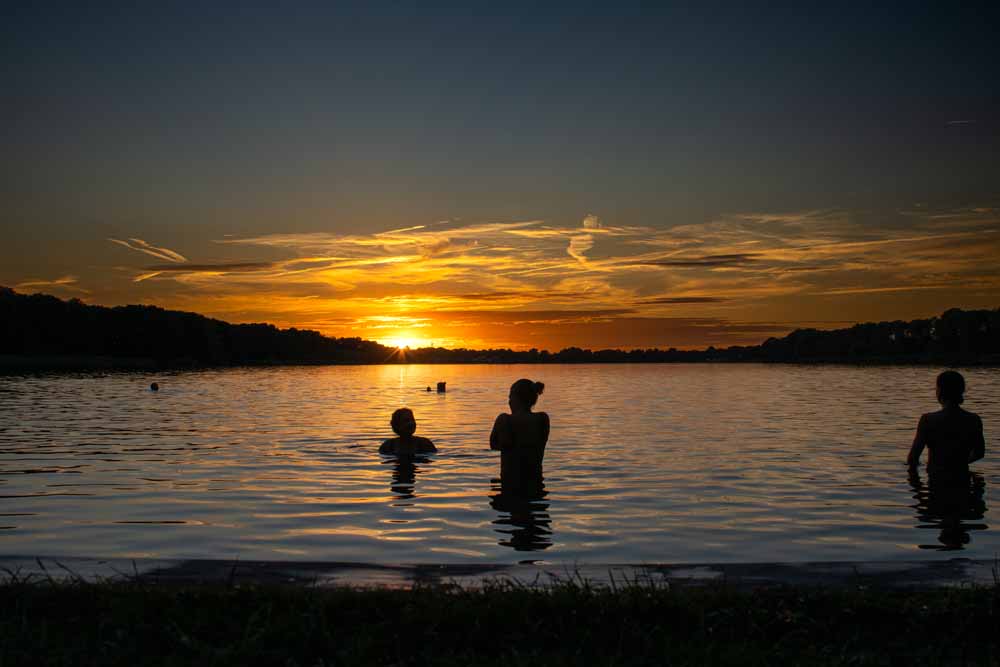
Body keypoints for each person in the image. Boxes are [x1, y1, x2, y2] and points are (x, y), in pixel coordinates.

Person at [906, 370, 985, 479]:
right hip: (962, 482)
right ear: (962, 390)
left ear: (939, 391)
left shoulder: (928, 420)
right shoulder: (973, 420)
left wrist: (919, 490)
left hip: (935, 483)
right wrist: (959, 463)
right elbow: (979, 453)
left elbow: (912, 459)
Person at [490, 379, 549, 492]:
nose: (509, 402)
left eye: (510, 397)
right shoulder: (543, 419)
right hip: (536, 487)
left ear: (516, 399)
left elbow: (493, 445)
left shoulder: (504, 420)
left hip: (510, 485)